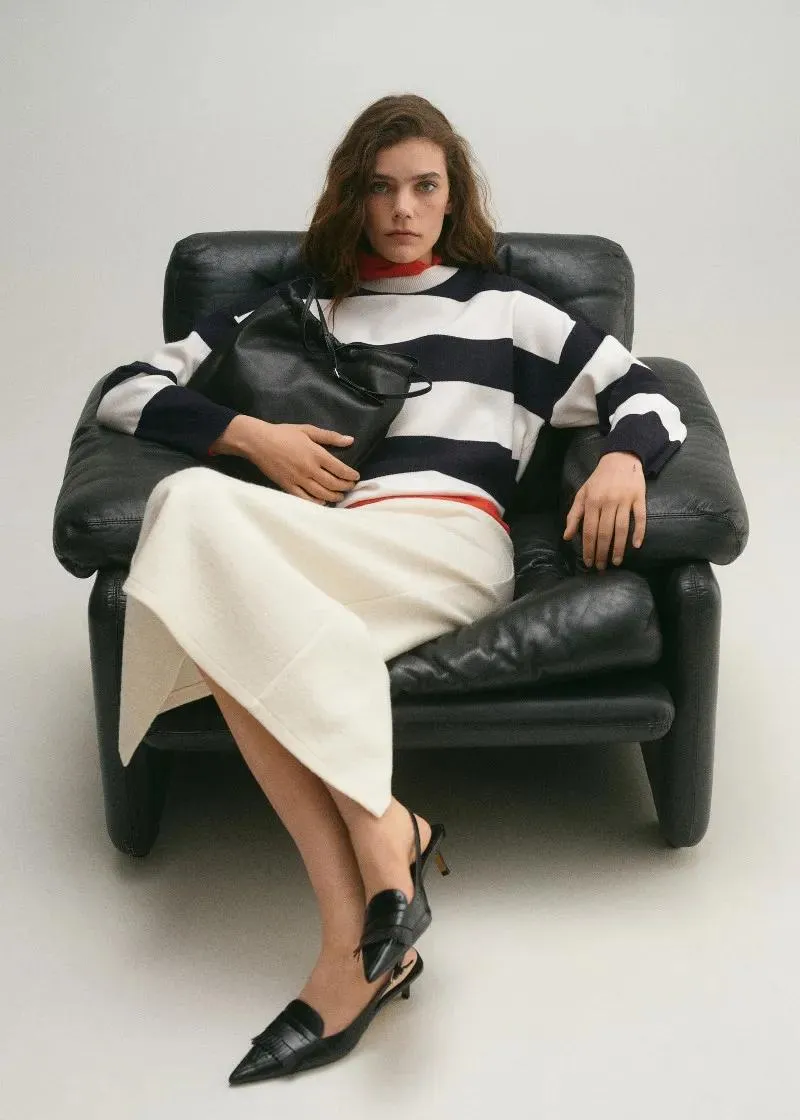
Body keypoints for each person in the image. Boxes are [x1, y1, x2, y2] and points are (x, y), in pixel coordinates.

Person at [96, 93, 687, 1084]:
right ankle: (372, 898)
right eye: (381, 188)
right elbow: (122, 390)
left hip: (448, 540)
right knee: (189, 507)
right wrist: (251, 436)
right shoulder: (299, 307)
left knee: (219, 618)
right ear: (353, 198)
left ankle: (362, 907)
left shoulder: (507, 309)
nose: (403, 209)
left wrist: (624, 458)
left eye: (424, 187)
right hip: (328, 540)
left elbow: (648, 393)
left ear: (452, 197)